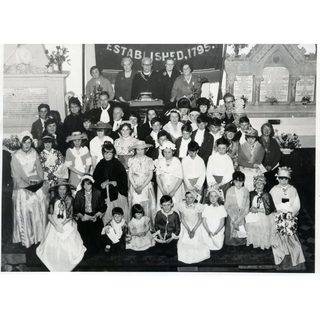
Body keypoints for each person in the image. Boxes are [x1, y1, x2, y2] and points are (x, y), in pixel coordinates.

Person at [36, 179, 86, 271]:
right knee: (52, 243)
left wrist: (62, 224)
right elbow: (49, 214)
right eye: (60, 189)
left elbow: (70, 216)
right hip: (54, 222)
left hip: (66, 221)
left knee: (68, 244)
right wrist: (55, 225)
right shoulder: (53, 199)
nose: (62, 191)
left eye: (64, 189)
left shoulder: (70, 199)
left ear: (67, 190)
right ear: (57, 190)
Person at [11, 131, 47, 248]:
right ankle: (27, 238)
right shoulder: (16, 156)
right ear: (21, 143)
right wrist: (27, 184)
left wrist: (38, 182)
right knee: (25, 212)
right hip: (23, 187)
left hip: (35, 185)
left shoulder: (34, 153)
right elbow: (16, 175)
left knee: (38, 211)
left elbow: (39, 170)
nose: (27, 145)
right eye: (25, 142)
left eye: (29, 142)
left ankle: (39, 236)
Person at [270, 167, 305, 270]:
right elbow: (271, 204)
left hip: (289, 216)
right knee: (279, 238)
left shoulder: (293, 189)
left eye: (285, 178)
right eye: (281, 178)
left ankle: (297, 259)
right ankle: (283, 259)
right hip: (278, 216)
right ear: (278, 178)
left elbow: (296, 204)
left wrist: (291, 213)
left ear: (288, 179)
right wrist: (277, 210)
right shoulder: (274, 189)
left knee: (291, 238)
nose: (283, 181)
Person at [93, 142, 129, 223]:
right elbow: (95, 177)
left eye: (110, 154)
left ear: (113, 154)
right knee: (107, 213)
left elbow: (123, 177)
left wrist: (116, 182)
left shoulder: (117, 163)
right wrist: (102, 183)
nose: (107, 156)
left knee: (119, 211)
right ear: (103, 154)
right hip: (105, 193)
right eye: (105, 153)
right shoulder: (100, 163)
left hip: (117, 192)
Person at [74, 175, 106, 256]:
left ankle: (95, 250)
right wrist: (82, 217)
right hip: (83, 215)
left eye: (88, 184)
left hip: (94, 215)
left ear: (92, 184)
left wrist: (96, 215)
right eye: (84, 184)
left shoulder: (98, 192)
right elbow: (76, 209)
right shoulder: (79, 193)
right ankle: (86, 249)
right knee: (84, 234)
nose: (86, 186)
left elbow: (103, 207)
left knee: (96, 235)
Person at [127, 140, 156, 225]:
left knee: (146, 204)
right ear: (135, 150)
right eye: (138, 149)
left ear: (145, 149)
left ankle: (146, 225)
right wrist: (135, 186)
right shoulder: (131, 160)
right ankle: (135, 226)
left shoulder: (149, 160)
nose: (140, 151)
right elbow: (130, 174)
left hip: (146, 185)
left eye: (142, 149)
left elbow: (150, 175)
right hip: (135, 184)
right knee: (135, 203)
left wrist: (142, 187)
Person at [177, 191, 210, 264]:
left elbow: (200, 219)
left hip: (196, 225)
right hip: (185, 225)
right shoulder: (181, 205)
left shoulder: (198, 206)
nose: (188, 199)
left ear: (194, 198)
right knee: (185, 242)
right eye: (187, 197)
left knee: (197, 242)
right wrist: (188, 230)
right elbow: (182, 219)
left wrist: (193, 230)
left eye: (191, 197)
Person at [246, 175, 276, 250]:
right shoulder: (251, 194)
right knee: (252, 227)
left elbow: (269, 209)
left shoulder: (267, 195)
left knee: (264, 227)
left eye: (261, 184)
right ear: (254, 185)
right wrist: (250, 209)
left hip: (264, 215)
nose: (259, 186)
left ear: (264, 185)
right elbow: (246, 205)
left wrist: (258, 210)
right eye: (257, 184)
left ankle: (263, 242)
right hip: (253, 214)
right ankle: (255, 241)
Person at [155, 141, 185, 210]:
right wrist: (162, 191)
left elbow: (180, 178)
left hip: (174, 188)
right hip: (163, 188)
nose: (167, 154)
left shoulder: (176, 161)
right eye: (165, 152)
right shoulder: (160, 161)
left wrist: (173, 191)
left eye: (169, 152)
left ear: (173, 152)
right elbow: (158, 176)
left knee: (174, 205)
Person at [224, 171, 250, 246]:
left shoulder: (246, 191)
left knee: (241, 227)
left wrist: (240, 217)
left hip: (242, 214)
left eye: (240, 181)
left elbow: (247, 206)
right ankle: (231, 241)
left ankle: (241, 241)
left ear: (243, 181)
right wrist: (233, 217)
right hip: (232, 213)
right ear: (233, 181)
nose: (238, 183)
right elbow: (227, 206)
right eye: (236, 181)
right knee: (232, 226)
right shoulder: (230, 190)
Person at [202, 185, 227, 251]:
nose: (213, 198)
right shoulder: (206, 207)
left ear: (218, 197)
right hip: (208, 228)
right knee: (206, 243)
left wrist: (216, 232)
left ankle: (215, 238)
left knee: (218, 246)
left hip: (217, 229)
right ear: (208, 197)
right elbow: (204, 221)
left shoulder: (221, 208)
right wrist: (208, 231)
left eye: (215, 196)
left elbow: (222, 222)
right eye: (211, 196)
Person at [259, 123, 281, 192]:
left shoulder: (274, 141)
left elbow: (278, 155)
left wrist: (271, 166)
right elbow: (255, 155)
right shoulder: (258, 140)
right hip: (260, 168)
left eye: (269, 129)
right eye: (265, 129)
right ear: (262, 130)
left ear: (271, 131)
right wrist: (263, 166)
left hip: (272, 168)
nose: (266, 131)